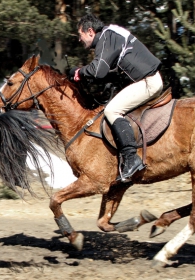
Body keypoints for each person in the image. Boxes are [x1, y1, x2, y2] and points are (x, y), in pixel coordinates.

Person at [69, 13, 163, 182]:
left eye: (80, 35)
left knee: (112, 110)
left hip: (149, 82)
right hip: (147, 80)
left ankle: (131, 159)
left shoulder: (106, 38)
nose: (79, 39)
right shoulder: (109, 35)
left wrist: (78, 72)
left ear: (90, 31)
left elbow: (98, 71)